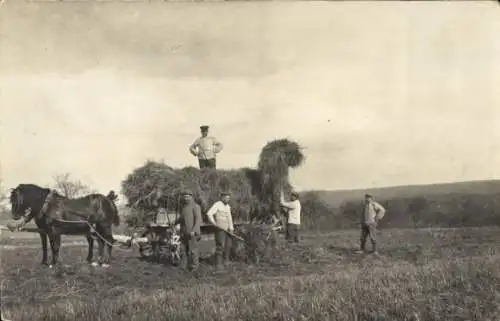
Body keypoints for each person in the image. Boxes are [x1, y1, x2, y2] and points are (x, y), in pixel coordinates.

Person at [175, 189, 203, 271]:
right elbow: (181, 218)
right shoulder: (184, 207)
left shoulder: (196, 206)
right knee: (183, 250)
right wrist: (174, 222)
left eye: (187, 197)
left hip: (192, 233)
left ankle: (194, 267)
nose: (186, 198)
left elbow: (198, 219)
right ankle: (183, 266)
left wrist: (194, 230)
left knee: (193, 250)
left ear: (191, 197)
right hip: (184, 233)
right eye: (185, 197)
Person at [206, 191, 234, 268]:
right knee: (220, 245)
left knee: (228, 246)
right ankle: (218, 263)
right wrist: (214, 224)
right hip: (220, 229)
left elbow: (230, 219)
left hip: (228, 229)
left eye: (229, 198)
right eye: (226, 197)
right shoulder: (217, 204)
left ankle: (226, 261)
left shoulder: (228, 207)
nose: (228, 199)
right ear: (222, 197)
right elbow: (209, 213)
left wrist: (231, 228)